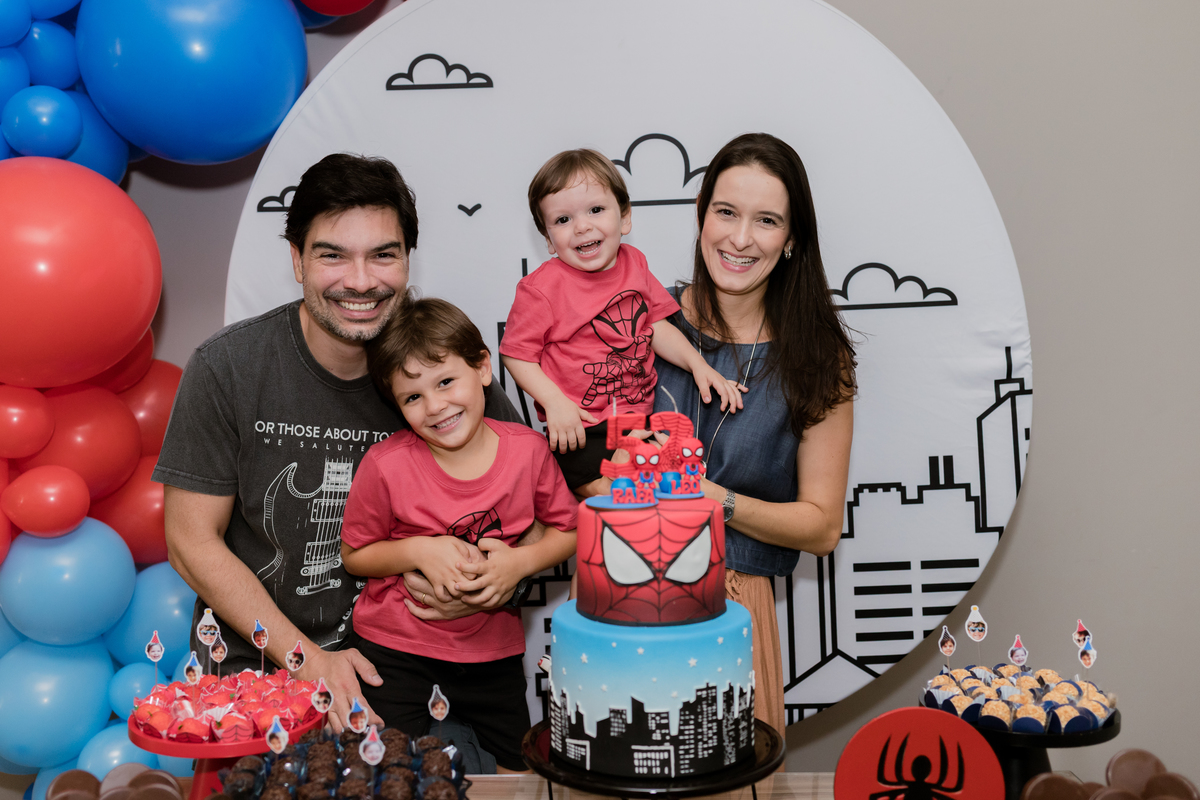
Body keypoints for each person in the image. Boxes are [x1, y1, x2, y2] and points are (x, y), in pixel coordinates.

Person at [154, 154, 525, 732]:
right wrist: (307, 661)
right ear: (296, 260)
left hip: (410, 679)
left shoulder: (440, 375)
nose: (360, 280)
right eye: (332, 255)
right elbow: (190, 542)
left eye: (383, 255)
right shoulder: (228, 366)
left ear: (408, 259)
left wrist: (490, 584)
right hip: (259, 675)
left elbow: (532, 507)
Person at [650, 133, 856, 733]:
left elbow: (821, 527)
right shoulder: (636, 321)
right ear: (700, 215)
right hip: (621, 591)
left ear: (791, 239)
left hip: (735, 604)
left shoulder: (817, 359)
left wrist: (714, 500)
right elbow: (581, 467)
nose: (740, 239)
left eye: (766, 220)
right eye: (726, 212)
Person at [340, 295, 578, 773]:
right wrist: (417, 550)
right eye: (412, 397)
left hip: (492, 651)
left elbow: (569, 529)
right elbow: (355, 554)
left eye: (446, 381)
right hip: (396, 649)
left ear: (483, 368)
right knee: (387, 772)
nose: (435, 406)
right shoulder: (385, 465)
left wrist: (519, 564)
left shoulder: (528, 452)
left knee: (518, 771)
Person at [501, 149, 743, 492]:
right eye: (563, 220)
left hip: (639, 421)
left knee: (677, 483)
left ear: (625, 218)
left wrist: (698, 365)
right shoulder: (541, 289)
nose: (582, 226)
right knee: (616, 496)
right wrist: (555, 402)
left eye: (596, 210)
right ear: (548, 240)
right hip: (581, 428)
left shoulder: (635, 263)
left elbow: (656, 326)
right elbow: (516, 354)